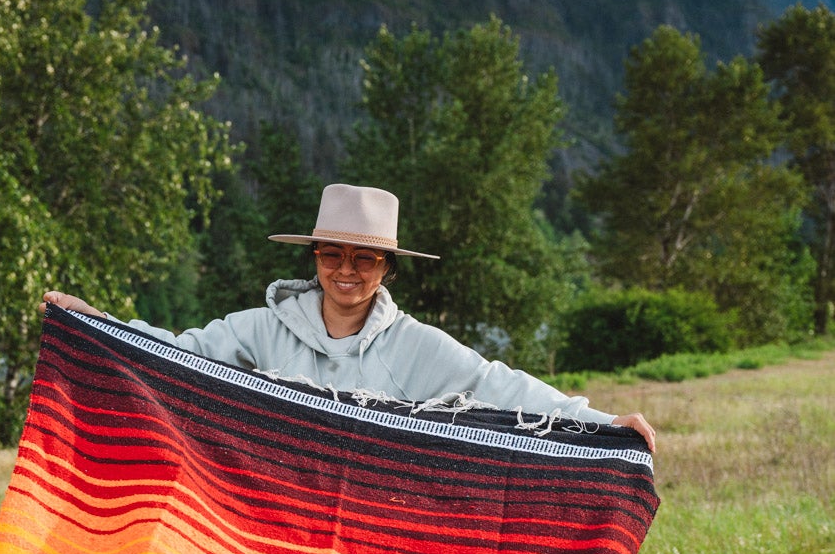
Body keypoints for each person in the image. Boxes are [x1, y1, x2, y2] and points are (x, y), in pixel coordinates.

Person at [43, 183, 655, 450]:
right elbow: (176, 352)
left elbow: (498, 385)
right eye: (332, 254)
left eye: (365, 259)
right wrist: (97, 324)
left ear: (387, 267)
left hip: (366, 530)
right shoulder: (261, 328)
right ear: (315, 257)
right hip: (269, 517)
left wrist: (601, 423)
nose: (346, 271)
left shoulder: (415, 346)